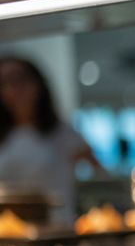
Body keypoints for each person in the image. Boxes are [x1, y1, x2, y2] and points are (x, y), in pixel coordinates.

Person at [0, 57, 102, 225]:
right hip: (9, 234)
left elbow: (100, 175)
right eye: (4, 83)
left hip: (57, 230)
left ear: (37, 83)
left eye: (18, 79)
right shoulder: (4, 136)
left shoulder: (63, 133)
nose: (13, 89)